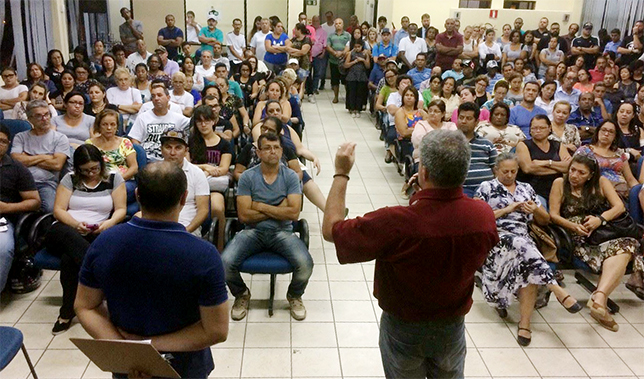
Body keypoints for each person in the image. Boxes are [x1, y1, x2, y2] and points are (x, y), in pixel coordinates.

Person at [322, 130, 498, 378]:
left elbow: (332, 230)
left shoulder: (396, 222)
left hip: (404, 328)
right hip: (452, 326)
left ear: (423, 172)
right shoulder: (483, 216)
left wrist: (342, 172)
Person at [74, 160, 229, 379]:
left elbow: (85, 307)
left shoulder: (104, 242)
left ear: (137, 195)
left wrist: (131, 352)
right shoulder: (204, 255)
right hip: (183, 365)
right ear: (184, 198)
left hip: (129, 366)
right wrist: (151, 348)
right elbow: (216, 330)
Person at [475, 153, 582, 346]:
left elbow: (545, 220)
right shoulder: (486, 188)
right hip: (496, 238)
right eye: (505, 171)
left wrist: (536, 210)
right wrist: (509, 208)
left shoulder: (526, 188)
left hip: (523, 238)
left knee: (528, 264)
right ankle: (556, 288)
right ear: (496, 170)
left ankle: (525, 323)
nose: (509, 175)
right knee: (523, 247)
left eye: (513, 171)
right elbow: (478, 220)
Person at [222, 132, 312, 321]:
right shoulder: (247, 177)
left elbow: (294, 213)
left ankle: (294, 295)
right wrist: (280, 207)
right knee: (224, 264)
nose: (273, 152)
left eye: (276, 147)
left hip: (282, 231)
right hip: (252, 231)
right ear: (259, 152)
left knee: (306, 265)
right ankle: (241, 294)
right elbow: (244, 215)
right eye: (267, 148)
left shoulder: (291, 177)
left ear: (282, 150)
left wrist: (259, 206)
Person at [549, 153, 644, 331]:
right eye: (573, 170)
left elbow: (619, 206)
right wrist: (572, 226)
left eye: (581, 173)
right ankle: (600, 300)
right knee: (623, 249)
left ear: (591, 175)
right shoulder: (560, 184)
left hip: (604, 231)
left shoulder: (601, 182)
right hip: (579, 235)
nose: (575, 176)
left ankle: (599, 298)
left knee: (627, 245)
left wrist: (600, 219)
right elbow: (553, 215)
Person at [45, 144, 126, 334]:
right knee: (69, 238)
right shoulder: (70, 179)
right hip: (66, 229)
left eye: (95, 168)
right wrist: (75, 225)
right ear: (78, 169)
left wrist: (109, 223)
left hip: (97, 232)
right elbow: (58, 210)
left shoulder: (114, 178)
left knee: (69, 260)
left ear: (101, 164)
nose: (91, 173)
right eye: (85, 170)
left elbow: (121, 209)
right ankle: (105, 279)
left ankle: (66, 312)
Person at [0, 124, 40, 293]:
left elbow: (34, 201)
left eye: (2, 141)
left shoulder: (17, 169)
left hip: (3, 219)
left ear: (8, 144)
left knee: (3, 249)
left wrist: (6, 207)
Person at [576, 120, 639, 199]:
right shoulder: (585, 150)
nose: (606, 134)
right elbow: (575, 172)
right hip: (595, 192)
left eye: (611, 132)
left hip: (621, 193)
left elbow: (630, 179)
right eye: (604, 130)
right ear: (598, 132)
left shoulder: (620, 153)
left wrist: (640, 190)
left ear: (615, 136)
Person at [516, 115, 571, 203]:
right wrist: (559, 168)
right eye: (534, 128)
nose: (538, 131)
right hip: (533, 190)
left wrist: (547, 163)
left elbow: (569, 167)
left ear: (549, 128)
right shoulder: (523, 145)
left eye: (542, 128)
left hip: (557, 190)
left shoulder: (558, 145)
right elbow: (528, 168)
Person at [129, 85, 190, 162]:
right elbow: (134, 140)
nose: (156, 98)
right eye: (153, 96)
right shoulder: (143, 117)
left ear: (168, 98)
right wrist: (142, 156)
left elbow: (194, 123)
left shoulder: (178, 118)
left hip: (171, 159)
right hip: (148, 160)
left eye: (159, 95)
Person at [455, 102, 497, 197]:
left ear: (477, 122)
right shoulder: (448, 143)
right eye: (461, 117)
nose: (464, 121)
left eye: (468, 118)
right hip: (460, 190)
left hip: (487, 190)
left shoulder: (487, 144)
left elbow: (496, 169)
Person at [344, 36, 371, 117]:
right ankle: (352, 108)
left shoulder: (365, 54)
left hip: (362, 76)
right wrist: (354, 62)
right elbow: (346, 65)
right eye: (355, 47)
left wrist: (362, 60)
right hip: (352, 75)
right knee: (352, 92)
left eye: (359, 47)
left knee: (360, 93)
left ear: (362, 46)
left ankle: (358, 109)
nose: (357, 48)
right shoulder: (350, 53)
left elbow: (368, 66)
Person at [327, 18, 351, 104]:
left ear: (343, 24)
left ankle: (348, 97)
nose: (338, 25)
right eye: (336, 23)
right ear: (334, 25)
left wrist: (342, 53)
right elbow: (328, 46)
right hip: (334, 61)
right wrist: (334, 52)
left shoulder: (347, 35)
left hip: (344, 61)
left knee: (345, 80)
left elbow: (350, 46)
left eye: (340, 23)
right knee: (335, 80)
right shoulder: (331, 35)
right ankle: (336, 97)